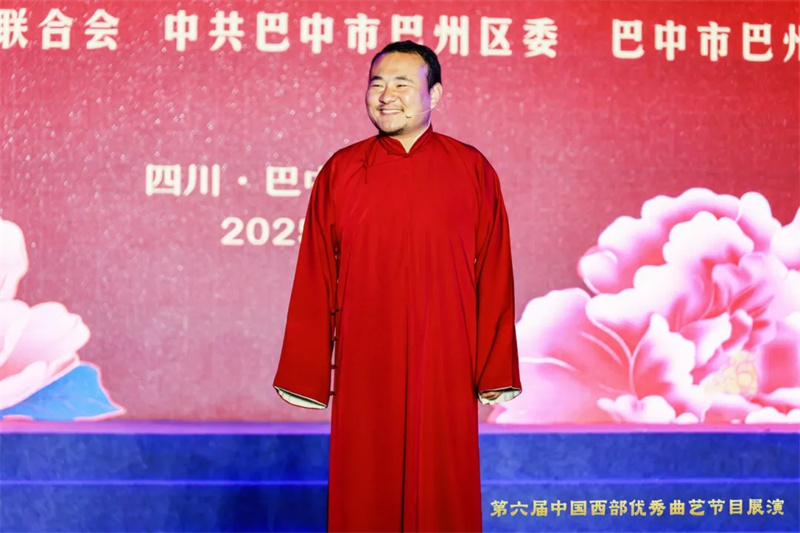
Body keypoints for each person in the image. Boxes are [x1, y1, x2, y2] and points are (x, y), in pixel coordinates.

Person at [273, 41, 521, 533]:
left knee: (443, 485)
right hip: (366, 359)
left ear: (435, 94)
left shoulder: (471, 169)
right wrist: (308, 372)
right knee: (366, 485)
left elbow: (495, 273)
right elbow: (316, 276)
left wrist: (493, 369)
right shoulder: (342, 170)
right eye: (377, 84)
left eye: (402, 84)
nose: (386, 96)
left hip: (446, 358)